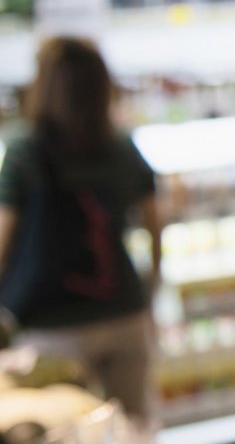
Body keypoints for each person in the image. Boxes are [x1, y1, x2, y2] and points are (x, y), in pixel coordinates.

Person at [0, 37, 162, 419]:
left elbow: (3, 238)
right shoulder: (122, 147)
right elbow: (156, 223)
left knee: (62, 441)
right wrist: (150, 287)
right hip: (123, 311)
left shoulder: (26, 153)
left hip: (50, 326)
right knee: (134, 436)